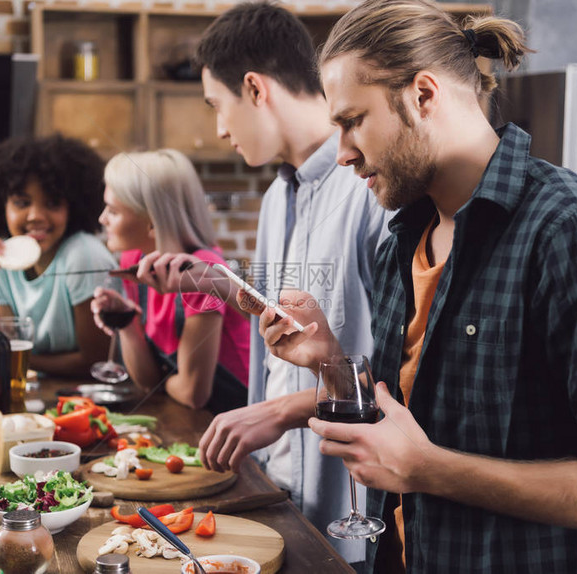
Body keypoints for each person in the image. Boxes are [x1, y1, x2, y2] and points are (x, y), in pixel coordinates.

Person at [258, 0, 577, 572]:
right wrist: (330, 359)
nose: (343, 153)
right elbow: (407, 420)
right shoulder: (403, 241)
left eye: (352, 121)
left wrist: (428, 468)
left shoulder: (570, 230)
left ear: (423, 95)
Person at [143, 3, 391, 566]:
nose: (219, 129)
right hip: (277, 482)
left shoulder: (372, 186)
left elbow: (403, 369)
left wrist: (280, 411)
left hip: (350, 504)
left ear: (254, 88)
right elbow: (288, 324)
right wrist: (214, 282)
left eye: (217, 106)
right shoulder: (277, 196)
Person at [89, 149, 250, 413]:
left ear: (153, 222)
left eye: (113, 211)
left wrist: (164, 385)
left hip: (233, 418)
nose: (102, 219)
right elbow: (146, 380)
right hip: (190, 419)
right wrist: (127, 322)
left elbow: (193, 393)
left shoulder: (201, 273)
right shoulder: (134, 260)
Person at [0, 133, 113, 378]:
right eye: (22, 203)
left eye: (52, 203)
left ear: (73, 207)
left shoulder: (83, 254)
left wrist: (19, 359)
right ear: (2, 207)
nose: (35, 215)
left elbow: (95, 362)